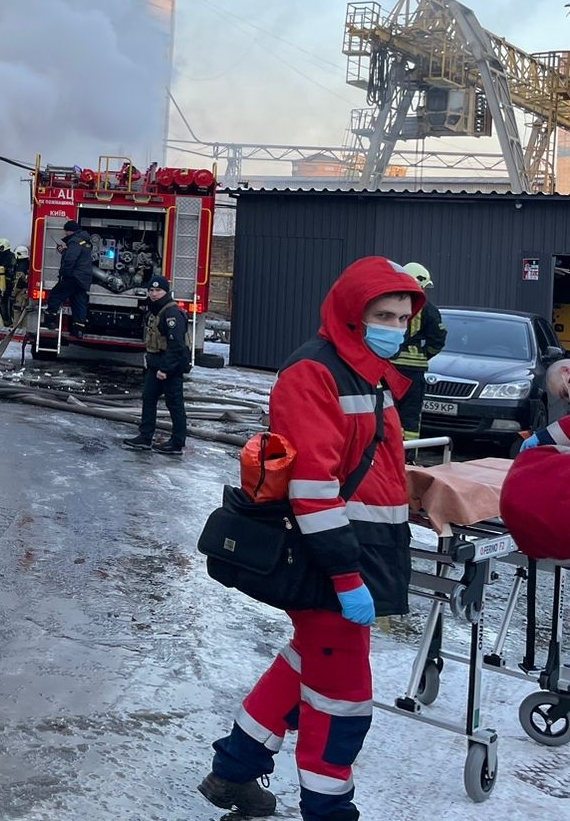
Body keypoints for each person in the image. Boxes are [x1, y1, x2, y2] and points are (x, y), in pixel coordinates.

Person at [200, 256, 420, 821]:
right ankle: (328, 811)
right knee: (342, 704)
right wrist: (347, 579)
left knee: (304, 667)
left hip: (356, 557)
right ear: (352, 314)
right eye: (384, 315)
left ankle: (234, 770)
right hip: (331, 563)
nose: (395, 328)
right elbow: (315, 490)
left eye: (402, 317)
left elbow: (373, 467)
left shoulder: (368, 373)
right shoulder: (316, 373)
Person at [122, 276, 193, 455]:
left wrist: (165, 369)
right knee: (148, 398)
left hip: (169, 367)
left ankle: (177, 443)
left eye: (158, 290)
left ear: (165, 292)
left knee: (174, 404)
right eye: (151, 290)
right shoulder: (156, 310)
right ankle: (145, 437)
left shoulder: (172, 314)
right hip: (156, 365)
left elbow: (176, 346)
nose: (154, 294)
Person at [390, 261, 446, 439]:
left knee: (388, 412)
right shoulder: (429, 310)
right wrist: (423, 354)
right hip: (414, 372)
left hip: (389, 368)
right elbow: (438, 339)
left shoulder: (390, 305)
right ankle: (408, 458)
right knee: (411, 416)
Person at [45, 220, 93, 334]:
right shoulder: (84, 241)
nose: (65, 234)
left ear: (70, 231)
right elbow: (79, 256)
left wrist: (64, 274)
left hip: (74, 277)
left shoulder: (75, 241)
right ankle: (79, 329)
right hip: (84, 278)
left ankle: (50, 321)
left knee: (56, 294)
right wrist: (65, 251)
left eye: (65, 231)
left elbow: (71, 259)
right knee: (78, 302)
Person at [0, 239, 17, 325]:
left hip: (8, 285)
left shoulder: (11, 257)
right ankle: (1, 321)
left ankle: (7, 320)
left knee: (6, 303)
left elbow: (11, 271)